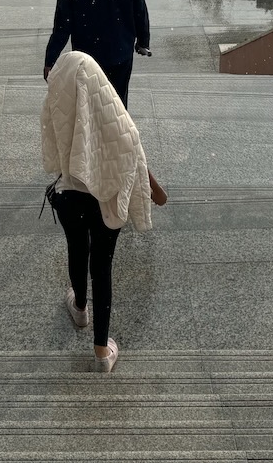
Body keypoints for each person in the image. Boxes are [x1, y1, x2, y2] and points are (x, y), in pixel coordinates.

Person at [42, 50, 162, 373]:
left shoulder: (57, 94)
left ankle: (80, 307)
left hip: (70, 195)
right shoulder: (112, 110)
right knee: (102, 268)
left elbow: (52, 148)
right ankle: (101, 352)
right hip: (106, 201)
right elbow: (132, 151)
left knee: (77, 251)